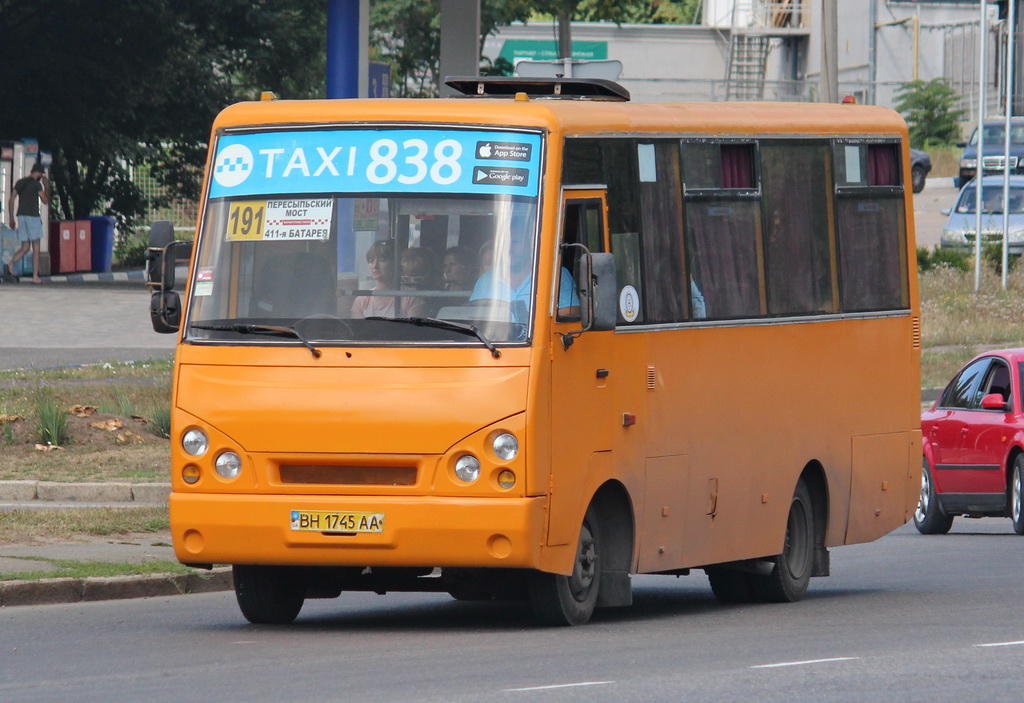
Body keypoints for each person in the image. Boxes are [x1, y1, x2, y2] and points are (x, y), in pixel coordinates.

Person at [6, 163, 51, 283]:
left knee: (25, 246)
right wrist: (46, 186)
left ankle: (10, 265)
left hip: (21, 217)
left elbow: (11, 199)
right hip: (33, 217)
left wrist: (11, 217)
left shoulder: (20, 182)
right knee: (36, 247)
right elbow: (45, 200)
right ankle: (35, 276)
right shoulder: (37, 184)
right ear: (39, 174)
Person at [351, 240, 397, 318]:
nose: (375, 266)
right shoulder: (361, 300)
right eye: (371, 261)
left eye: (382, 260)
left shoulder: (410, 297)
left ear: (394, 263)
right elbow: (357, 329)